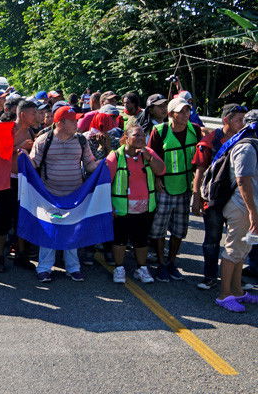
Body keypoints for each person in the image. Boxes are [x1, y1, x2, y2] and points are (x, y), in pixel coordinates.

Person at [30, 106, 99, 282]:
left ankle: (73, 268)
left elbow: (90, 165)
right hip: (49, 196)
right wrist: (21, 156)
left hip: (74, 196)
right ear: (60, 122)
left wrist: (105, 163)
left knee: (72, 231)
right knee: (49, 230)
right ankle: (44, 268)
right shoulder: (43, 141)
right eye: (73, 120)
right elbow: (33, 164)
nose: (77, 123)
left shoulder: (81, 141)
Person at [193, 104, 247, 290]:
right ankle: (210, 276)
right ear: (226, 120)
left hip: (237, 200)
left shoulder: (246, 139)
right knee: (212, 239)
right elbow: (200, 171)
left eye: (244, 119)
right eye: (239, 119)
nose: (243, 123)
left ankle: (235, 279)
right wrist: (196, 197)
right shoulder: (211, 140)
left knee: (238, 240)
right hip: (214, 200)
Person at [147, 98, 202, 282]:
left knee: (180, 229)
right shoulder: (160, 131)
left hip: (185, 187)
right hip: (165, 187)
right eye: (182, 111)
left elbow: (202, 158)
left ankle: (171, 262)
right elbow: (151, 156)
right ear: (171, 114)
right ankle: (161, 264)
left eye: (188, 111)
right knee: (159, 229)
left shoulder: (195, 130)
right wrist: (156, 178)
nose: (186, 115)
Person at [106, 125, 165, 283]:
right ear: (126, 137)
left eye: (142, 136)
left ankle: (141, 268)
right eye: (136, 135)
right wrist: (108, 205)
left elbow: (161, 170)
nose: (140, 138)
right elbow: (105, 181)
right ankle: (119, 268)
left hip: (144, 206)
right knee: (120, 239)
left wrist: (149, 158)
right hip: (122, 206)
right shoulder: (115, 156)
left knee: (141, 239)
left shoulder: (148, 152)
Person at [215, 110, 258, 312]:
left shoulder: (252, 144)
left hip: (249, 207)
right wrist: (252, 212)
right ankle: (224, 295)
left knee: (243, 250)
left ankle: (237, 290)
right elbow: (242, 180)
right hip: (242, 207)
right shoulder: (246, 147)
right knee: (233, 249)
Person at [0, 99, 37, 273]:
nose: (36, 116)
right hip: (6, 181)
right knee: (2, 219)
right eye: (33, 113)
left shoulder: (32, 132)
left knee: (22, 217)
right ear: (22, 114)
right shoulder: (7, 129)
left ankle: (21, 255)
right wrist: (19, 147)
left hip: (24, 181)